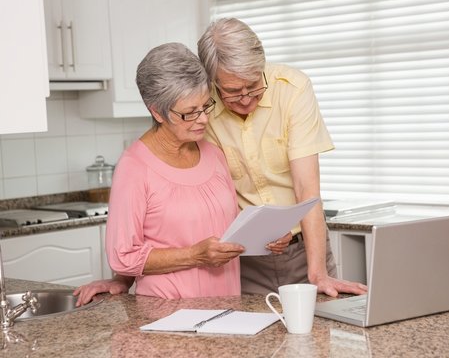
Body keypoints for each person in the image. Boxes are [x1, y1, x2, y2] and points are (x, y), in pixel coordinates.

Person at [75, 18, 367, 305]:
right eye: (232, 92)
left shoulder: (289, 92)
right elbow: (141, 230)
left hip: (292, 253)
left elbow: (305, 190)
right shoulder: (168, 135)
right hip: (230, 274)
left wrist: (310, 267)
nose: (245, 98)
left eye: (253, 86)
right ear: (214, 82)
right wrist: (123, 278)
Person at [74, 41, 291, 306]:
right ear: (157, 112)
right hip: (167, 313)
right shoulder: (134, 167)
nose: (203, 119)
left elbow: (225, 229)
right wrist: (194, 255)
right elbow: (123, 255)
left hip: (226, 308)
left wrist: (266, 236)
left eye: (206, 106)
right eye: (190, 113)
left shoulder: (213, 154)